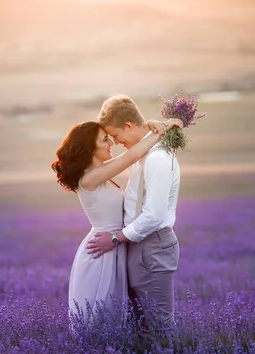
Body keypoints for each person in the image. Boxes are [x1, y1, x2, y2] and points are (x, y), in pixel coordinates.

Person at [51, 117, 181, 324]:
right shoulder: (89, 178)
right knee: (99, 318)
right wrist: (161, 129)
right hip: (102, 249)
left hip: (114, 244)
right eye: (104, 140)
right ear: (90, 148)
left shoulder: (99, 173)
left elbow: (131, 154)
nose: (111, 143)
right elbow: (131, 156)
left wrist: (154, 130)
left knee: (119, 317)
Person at [86, 94, 182, 330]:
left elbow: (154, 215)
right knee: (141, 326)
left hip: (153, 245)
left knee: (160, 326)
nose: (116, 142)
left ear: (128, 126)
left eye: (116, 135)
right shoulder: (144, 156)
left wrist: (116, 239)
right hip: (138, 245)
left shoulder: (157, 159)